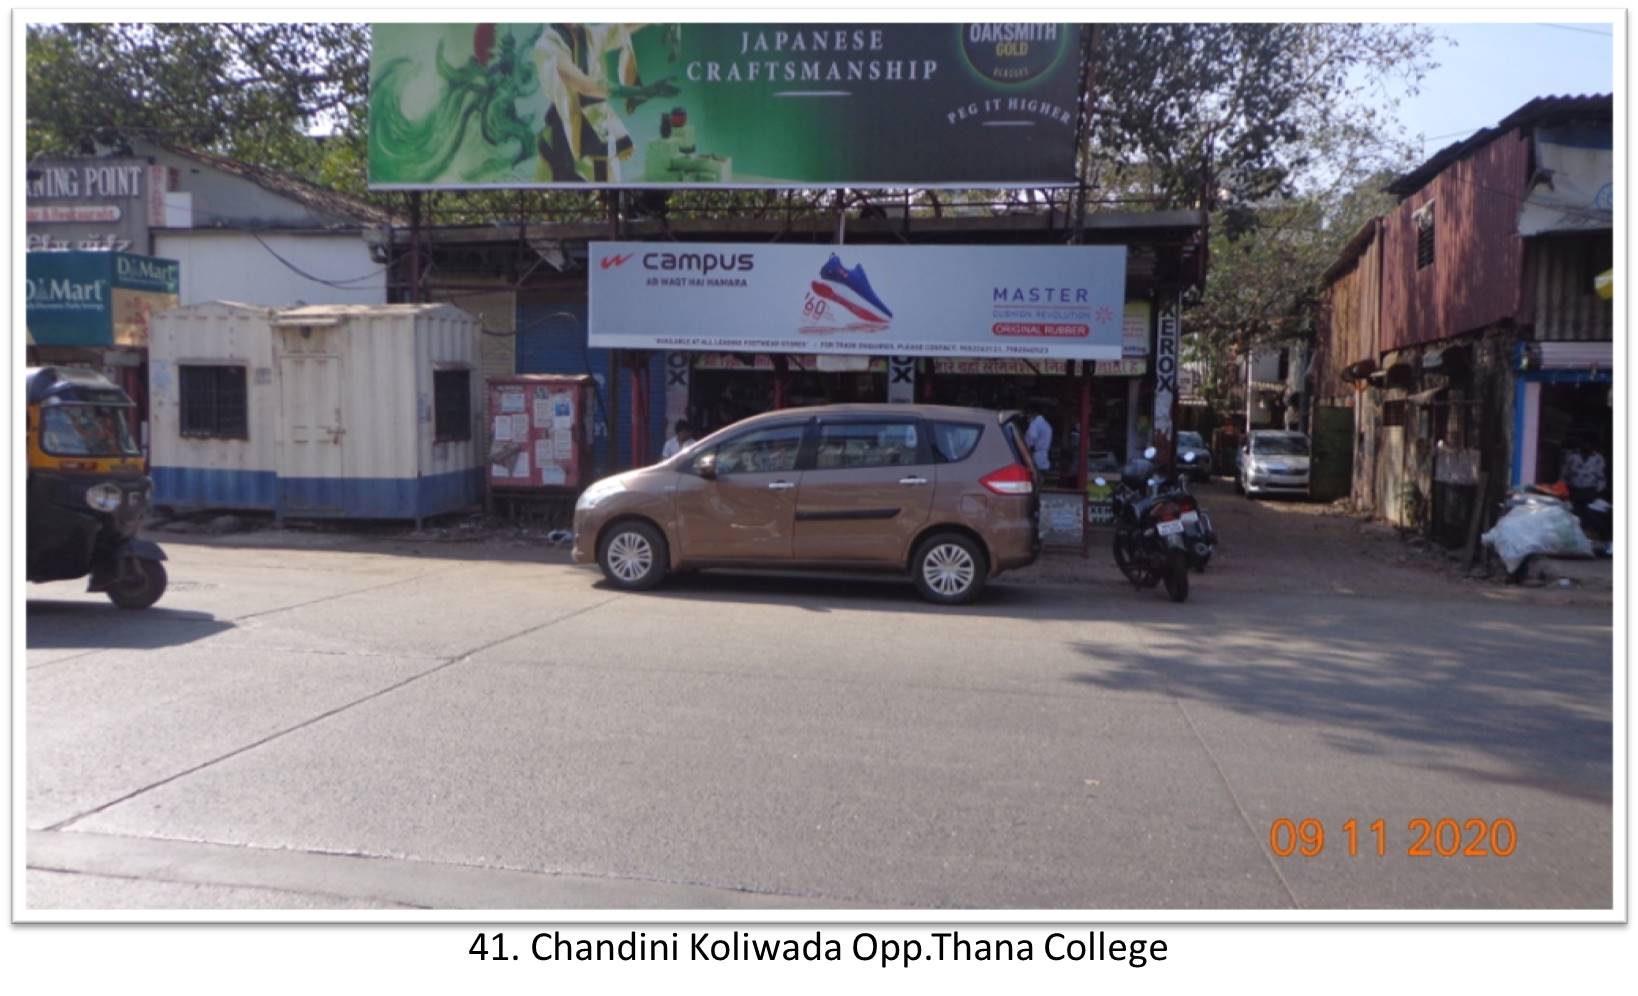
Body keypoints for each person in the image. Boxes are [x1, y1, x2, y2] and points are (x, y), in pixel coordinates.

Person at [1024, 407, 1053, 472]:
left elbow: (1032, 437)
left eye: (1027, 415)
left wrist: (1025, 446)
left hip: (1036, 455)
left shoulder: (1035, 423)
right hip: (1043, 454)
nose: (1027, 418)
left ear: (1032, 414)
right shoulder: (1046, 424)